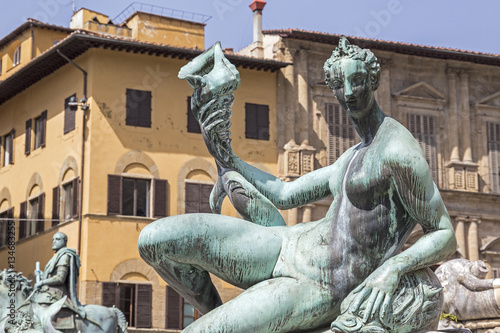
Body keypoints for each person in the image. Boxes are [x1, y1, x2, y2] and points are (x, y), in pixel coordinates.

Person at [138, 37, 457, 332]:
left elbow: (443, 233)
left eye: (358, 81)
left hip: (317, 284)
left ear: (373, 81)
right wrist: (228, 159)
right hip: (284, 243)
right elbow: (284, 193)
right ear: (332, 88)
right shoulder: (351, 155)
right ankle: (218, 317)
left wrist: (395, 268)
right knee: (154, 240)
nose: (349, 92)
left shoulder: (398, 151)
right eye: (341, 84)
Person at [34, 232, 85, 319]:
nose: (54, 242)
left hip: (57, 294)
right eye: (53, 239)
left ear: (65, 241)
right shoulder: (56, 256)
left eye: (57, 239)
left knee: (39, 315)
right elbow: (52, 276)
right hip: (49, 292)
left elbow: (60, 278)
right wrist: (42, 275)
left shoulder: (64, 256)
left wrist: (42, 282)